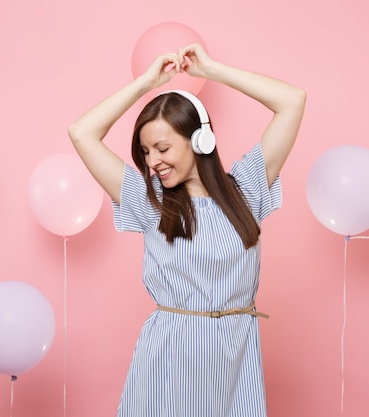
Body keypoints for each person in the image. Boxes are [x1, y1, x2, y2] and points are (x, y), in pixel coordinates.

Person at [68, 43, 306, 417]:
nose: (153, 162)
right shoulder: (149, 200)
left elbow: (292, 100)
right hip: (171, 357)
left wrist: (212, 71)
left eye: (162, 147)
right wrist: (145, 84)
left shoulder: (246, 189)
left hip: (236, 356)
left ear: (201, 140)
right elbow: (81, 132)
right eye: (145, 152)